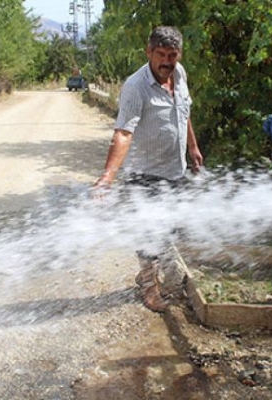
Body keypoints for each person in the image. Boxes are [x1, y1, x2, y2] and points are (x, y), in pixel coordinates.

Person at [94, 26, 203, 312]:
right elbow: (123, 133)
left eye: (173, 55)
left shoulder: (179, 75)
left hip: (175, 169)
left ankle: (147, 274)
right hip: (145, 174)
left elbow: (184, 112)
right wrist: (107, 176)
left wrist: (192, 147)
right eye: (161, 55)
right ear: (149, 52)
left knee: (170, 229)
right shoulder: (135, 86)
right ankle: (149, 288)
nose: (167, 61)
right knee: (149, 233)